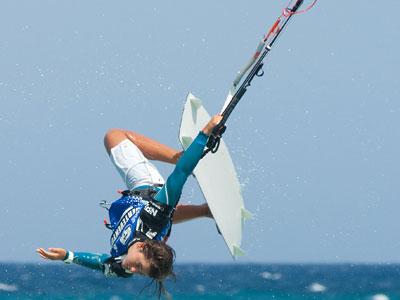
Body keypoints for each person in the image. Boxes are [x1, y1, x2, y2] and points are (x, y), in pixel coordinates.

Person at [36, 115, 223, 296]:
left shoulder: (122, 268)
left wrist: (67, 256)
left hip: (148, 212)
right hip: (147, 187)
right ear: (142, 248)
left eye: (140, 272)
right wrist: (204, 134)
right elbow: (181, 173)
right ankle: (181, 157)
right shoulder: (154, 216)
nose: (132, 270)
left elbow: (101, 262)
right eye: (139, 266)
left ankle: (205, 210)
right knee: (114, 136)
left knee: (165, 215)